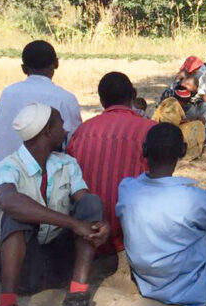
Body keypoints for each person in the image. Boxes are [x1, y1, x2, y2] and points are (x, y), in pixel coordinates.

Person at [0, 104, 112, 306]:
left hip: (59, 265)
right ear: (47, 131)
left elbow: (83, 200)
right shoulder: (6, 168)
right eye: (59, 124)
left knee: (91, 203)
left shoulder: (67, 164)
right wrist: (72, 223)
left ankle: (75, 305)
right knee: (16, 215)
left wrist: (99, 225)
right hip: (23, 271)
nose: (65, 129)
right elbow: (10, 201)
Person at [117, 124, 206, 306]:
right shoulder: (191, 198)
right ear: (183, 150)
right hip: (190, 281)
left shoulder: (127, 188)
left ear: (145, 150)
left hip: (148, 279)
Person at [66, 72, 156, 255]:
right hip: (130, 235)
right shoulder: (150, 130)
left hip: (86, 231)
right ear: (134, 94)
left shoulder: (82, 131)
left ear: (101, 100)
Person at [0, 40, 82, 163]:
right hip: (46, 177)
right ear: (56, 64)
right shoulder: (65, 99)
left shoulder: (8, 93)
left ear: (23, 69)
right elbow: (74, 143)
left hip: (2, 175)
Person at [151, 80, 206, 161]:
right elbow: (171, 125)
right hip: (166, 134)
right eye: (186, 102)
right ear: (183, 101)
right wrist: (195, 121)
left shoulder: (170, 101)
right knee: (198, 125)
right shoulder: (174, 105)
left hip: (159, 131)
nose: (186, 104)